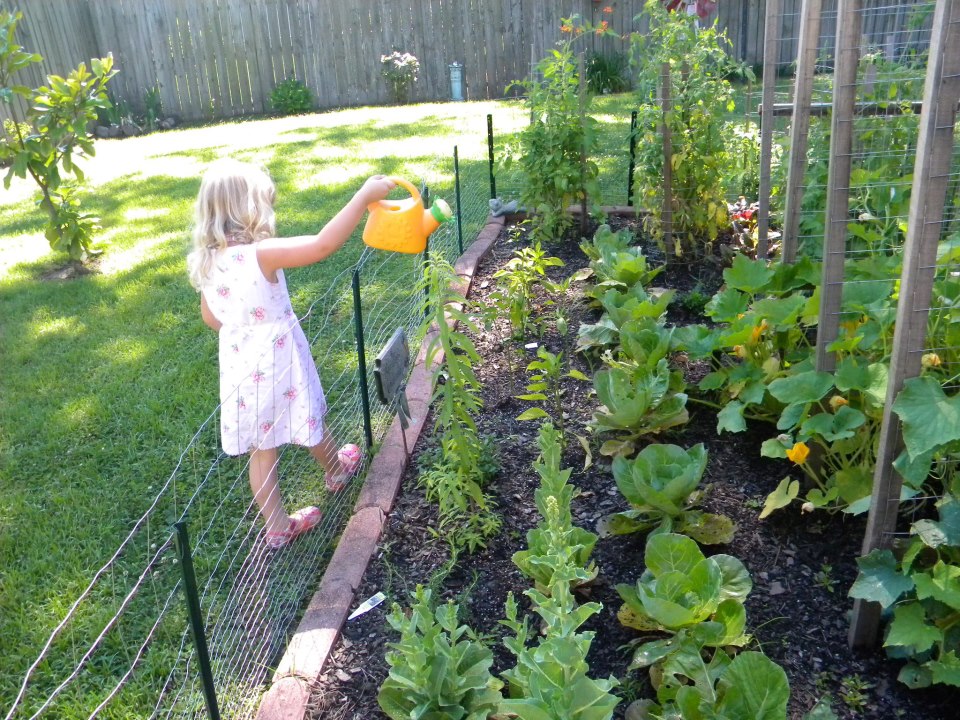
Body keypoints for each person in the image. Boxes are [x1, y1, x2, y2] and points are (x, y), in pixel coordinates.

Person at [187, 159, 395, 549]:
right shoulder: (262, 253)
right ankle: (336, 472)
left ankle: (278, 527)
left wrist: (246, 329)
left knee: (261, 450)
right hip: (280, 361)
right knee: (308, 415)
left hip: (241, 369)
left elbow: (211, 319)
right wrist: (363, 196)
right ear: (250, 208)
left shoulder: (210, 262)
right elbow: (323, 244)